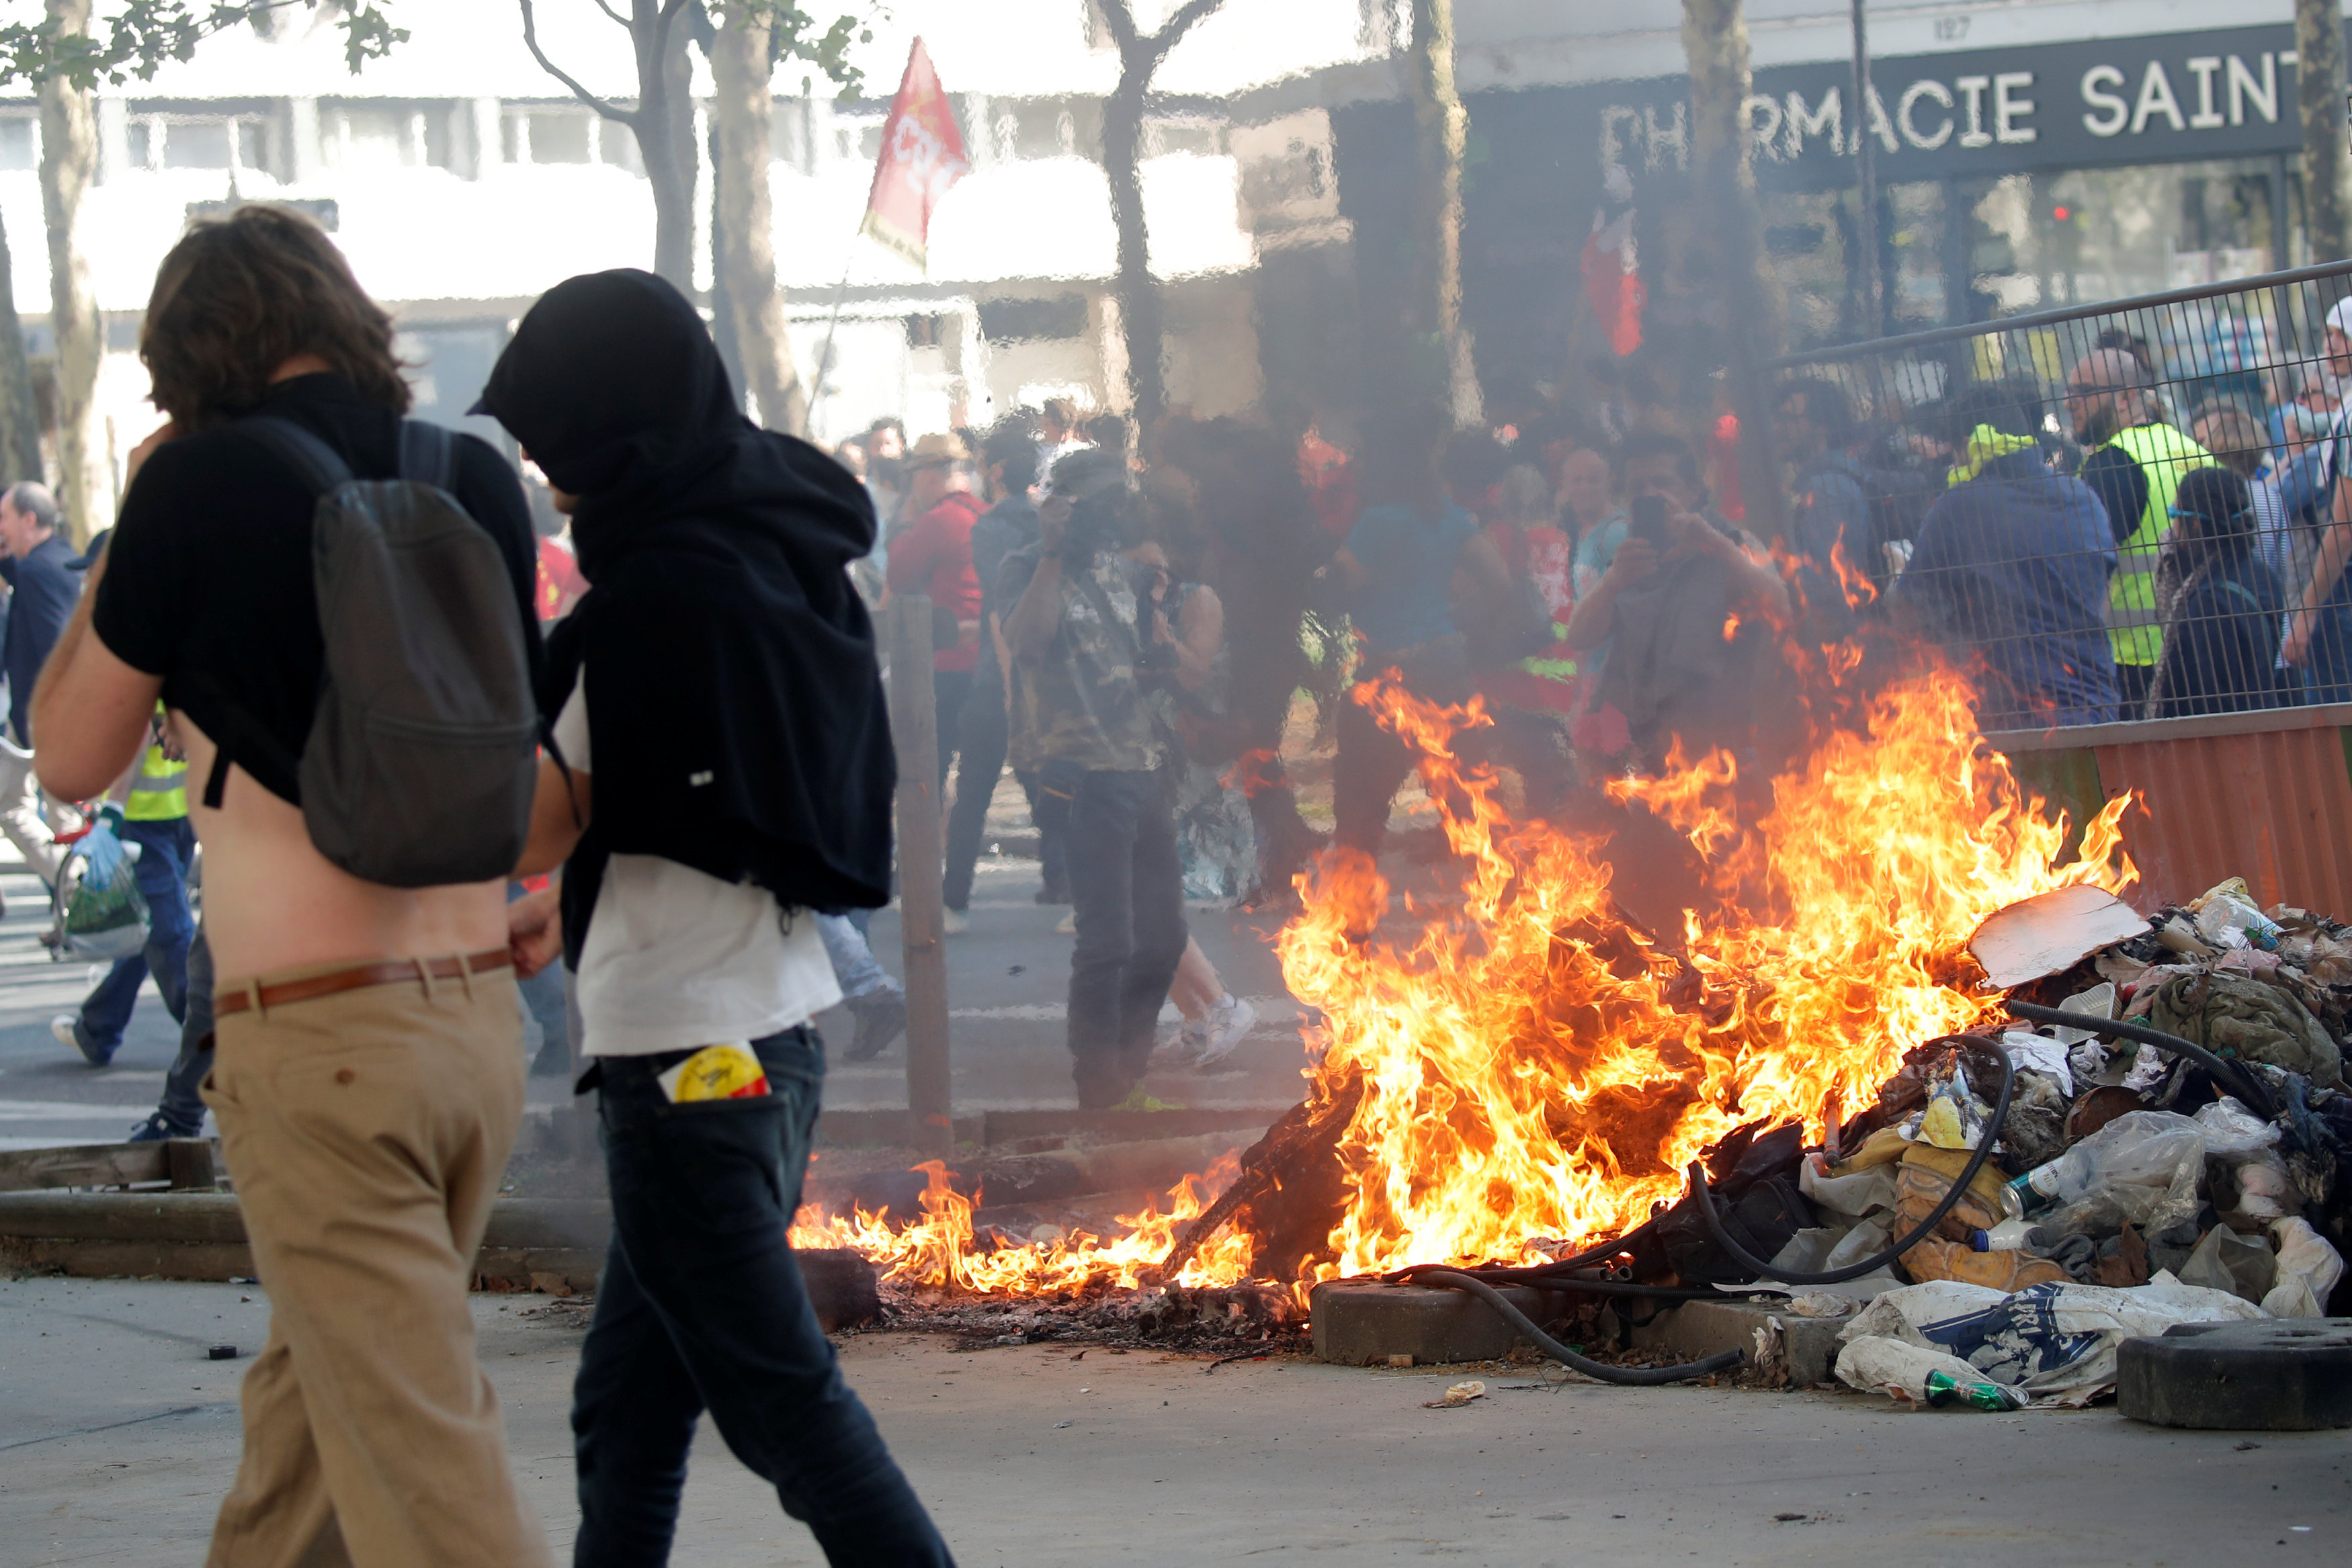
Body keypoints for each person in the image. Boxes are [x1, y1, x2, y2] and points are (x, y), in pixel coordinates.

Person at [32, 204, 552, 1565]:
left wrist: (128, 526)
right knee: (316, 1428)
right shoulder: (473, 472)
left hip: (317, 1029)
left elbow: (72, 754)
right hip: (474, 1026)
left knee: (421, 1463)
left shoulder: (197, 487)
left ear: (188, 360)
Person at [481, 270, 952, 1565]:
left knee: (780, 1402)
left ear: (609, 424)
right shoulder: (773, 563)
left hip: (686, 1059)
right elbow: (716, 802)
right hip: (773, 1025)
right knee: (626, 1407)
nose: (534, 458)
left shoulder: (649, 604)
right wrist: (564, 917)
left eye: (549, 430)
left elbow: (543, 815)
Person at [1001, 447, 1188, 1109]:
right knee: (1107, 940)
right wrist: (1054, 550)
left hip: (1142, 766)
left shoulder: (1125, 569)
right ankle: (1098, 1091)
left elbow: (1158, 668)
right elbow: (1025, 642)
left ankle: (1127, 1072)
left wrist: (1158, 597)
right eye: (1091, 503)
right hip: (1080, 775)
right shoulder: (1025, 565)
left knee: (1163, 937)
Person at [1327, 412, 1515, 857]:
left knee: (1360, 805)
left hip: (1384, 675)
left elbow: (1343, 582)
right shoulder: (1449, 516)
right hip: (1444, 665)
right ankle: (1509, 901)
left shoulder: (1377, 521)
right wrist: (1456, 621)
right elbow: (1501, 584)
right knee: (1472, 793)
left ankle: (1352, 913)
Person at [1893, 380, 2120, 729]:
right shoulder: (2083, 497)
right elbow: (2098, 592)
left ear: (1969, 447)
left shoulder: (1959, 508)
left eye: (1955, 453)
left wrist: (1898, 578)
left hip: (2015, 720)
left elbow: (1909, 612)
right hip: (2096, 707)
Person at [1562, 431, 1794, 770]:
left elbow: (1782, 609)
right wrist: (1613, 582)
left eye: (1662, 483)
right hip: (1654, 746)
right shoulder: (1631, 556)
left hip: (1732, 742)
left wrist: (1718, 546)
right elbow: (1578, 637)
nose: (1650, 495)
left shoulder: (1733, 542)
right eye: (1638, 488)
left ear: (1694, 491)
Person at [943, 419, 1050, 932]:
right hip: (1049, 671)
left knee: (975, 791)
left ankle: (954, 898)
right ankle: (1063, 885)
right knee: (1042, 782)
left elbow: (999, 608)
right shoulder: (1047, 523)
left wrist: (1007, 683)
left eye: (985, 463)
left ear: (999, 471)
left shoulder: (989, 529)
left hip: (997, 675)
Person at [2066, 345, 2214, 710]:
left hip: (2129, 663)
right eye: (2069, 392)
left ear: (2126, 397)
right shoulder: (2194, 452)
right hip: (2203, 649)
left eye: (2084, 391)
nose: (2070, 403)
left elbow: (2081, 567)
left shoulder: (2109, 465)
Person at [51, 703, 195, 1068]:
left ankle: (101, 1030)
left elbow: (134, 731)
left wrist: (113, 809)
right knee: (163, 931)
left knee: (161, 933)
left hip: (153, 818)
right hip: (160, 817)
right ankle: (208, 1034)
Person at [2144, 466, 2286, 719]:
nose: (2172, 531)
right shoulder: (2263, 576)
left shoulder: (2208, 604)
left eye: (2174, 515)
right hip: (2262, 723)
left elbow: (2205, 701)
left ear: (2195, 524)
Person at [886, 432, 984, 792]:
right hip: (987, 659)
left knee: (932, 763)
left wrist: (906, 525)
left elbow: (898, 575)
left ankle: (931, 842)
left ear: (928, 475)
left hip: (948, 661)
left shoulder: (939, 519)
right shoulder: (983, 513)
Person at [0, 482, 81, 890]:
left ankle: (80, 890)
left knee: (49, 810)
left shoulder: (36, 570)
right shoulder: (60, 557)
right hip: (39, 715)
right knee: (22, 803)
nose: (1, 529)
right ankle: (72, 897)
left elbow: (56, 644)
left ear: (28, 520)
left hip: (43, 715)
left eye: (4, 519)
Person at [2283, 299, 2352, 701]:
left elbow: (2342, 531)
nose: (2330, 343)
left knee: (2334, 739)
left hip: (2341, 595)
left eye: (2342, 335)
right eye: (2328, 333)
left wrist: (2306, 615)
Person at [1777, 376, 1868, 638]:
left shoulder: (1824, 488)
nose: (1779, 428)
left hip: (1836, 639)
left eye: (1789, 419)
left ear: (1821, 427)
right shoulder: (1825, 478)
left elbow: (1824, 578)